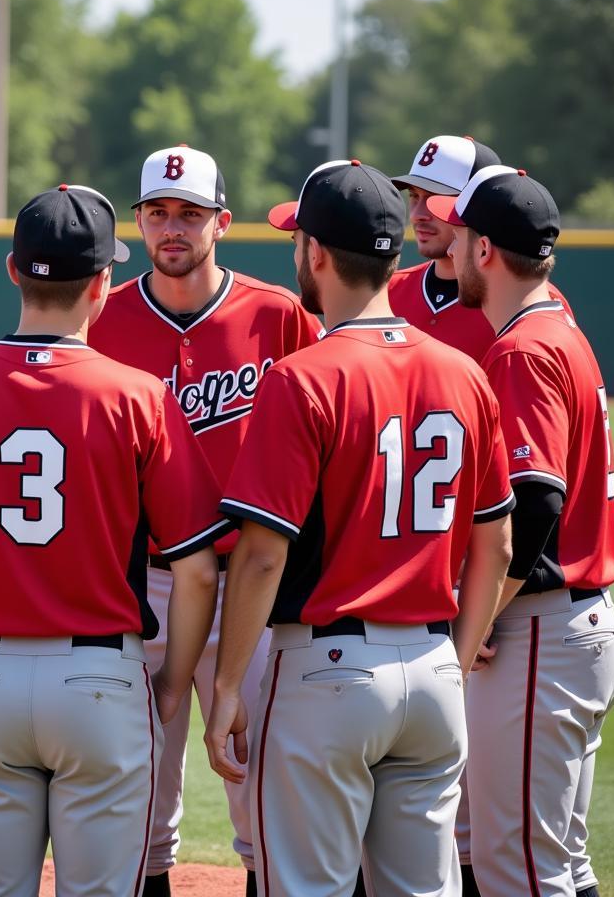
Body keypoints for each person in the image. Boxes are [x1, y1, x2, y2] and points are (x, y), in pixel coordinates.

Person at [0, 183, 225, 897]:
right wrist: (173, 685)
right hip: (103, 682)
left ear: (12, 269)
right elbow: (199, 572)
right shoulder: (138, 396)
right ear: (103, 282)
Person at [205, 159, 516, 897]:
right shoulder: (463, 371)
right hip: (435, 668)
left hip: (327, 674)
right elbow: (497, 545)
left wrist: (223, 687)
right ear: (394, 254)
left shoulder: (303, 375)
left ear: (313, 252)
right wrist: (455, 658)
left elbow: (258, 559)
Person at [89, 145, 321, 897]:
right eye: (157, 214)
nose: (172, 229)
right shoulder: (105, 316)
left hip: (251, 580)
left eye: (190, 214)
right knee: (141, 792)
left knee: (260, 787)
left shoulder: (277, 315)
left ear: (222, 221)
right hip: (149, 582)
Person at [447, 165, 614, 897]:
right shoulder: (559, 327)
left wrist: (477, 616)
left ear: (485, 249)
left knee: (518, 870)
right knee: (559, 865)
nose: (447, 252)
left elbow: (535, 503)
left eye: (458, 237)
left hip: (541, 639)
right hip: (577, 629)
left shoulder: (522, 350)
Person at [386, 135, 572, 365]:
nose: (417, 214)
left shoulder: (525, 301)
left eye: (435, 197)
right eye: (414, 196)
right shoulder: (386, 292)